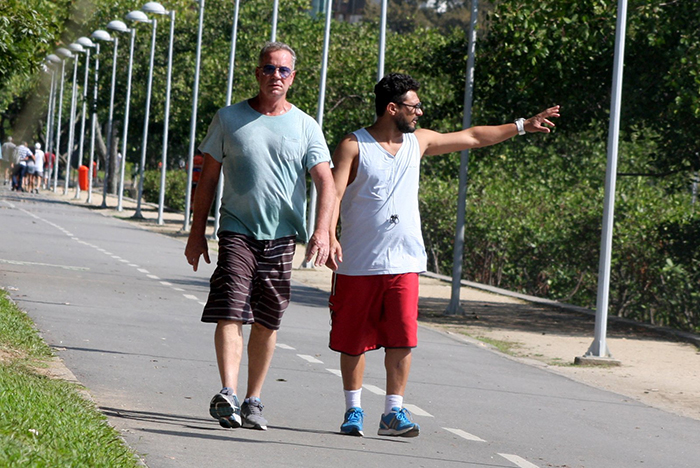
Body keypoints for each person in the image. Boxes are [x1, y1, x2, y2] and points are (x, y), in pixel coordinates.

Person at [326, 73, 560, 438]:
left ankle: (393, 413)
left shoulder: (419, 142)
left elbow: (472, 136)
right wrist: (325, 233)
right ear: (392, 108)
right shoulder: (353, 145)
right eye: (414, 106)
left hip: (404, 262)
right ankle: (353, 410)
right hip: (357, 263)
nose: (419, 112)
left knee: (403, 339)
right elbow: (333, 194)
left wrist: (522, 126)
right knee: (354, 342)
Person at [184, 42, 335, 432]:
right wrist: (196, 232)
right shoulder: (229, 118)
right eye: (269, 69)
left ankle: (253, 398)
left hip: (283, 236)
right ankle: (228, 393)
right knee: (231, 307)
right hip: (236, 230)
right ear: (257, 73)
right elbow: (208, 178)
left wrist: (322, 230)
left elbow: (326, 182)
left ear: (293, 78)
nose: (276, 77)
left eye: (283, 71)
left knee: (268, 318)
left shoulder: (305, 125)